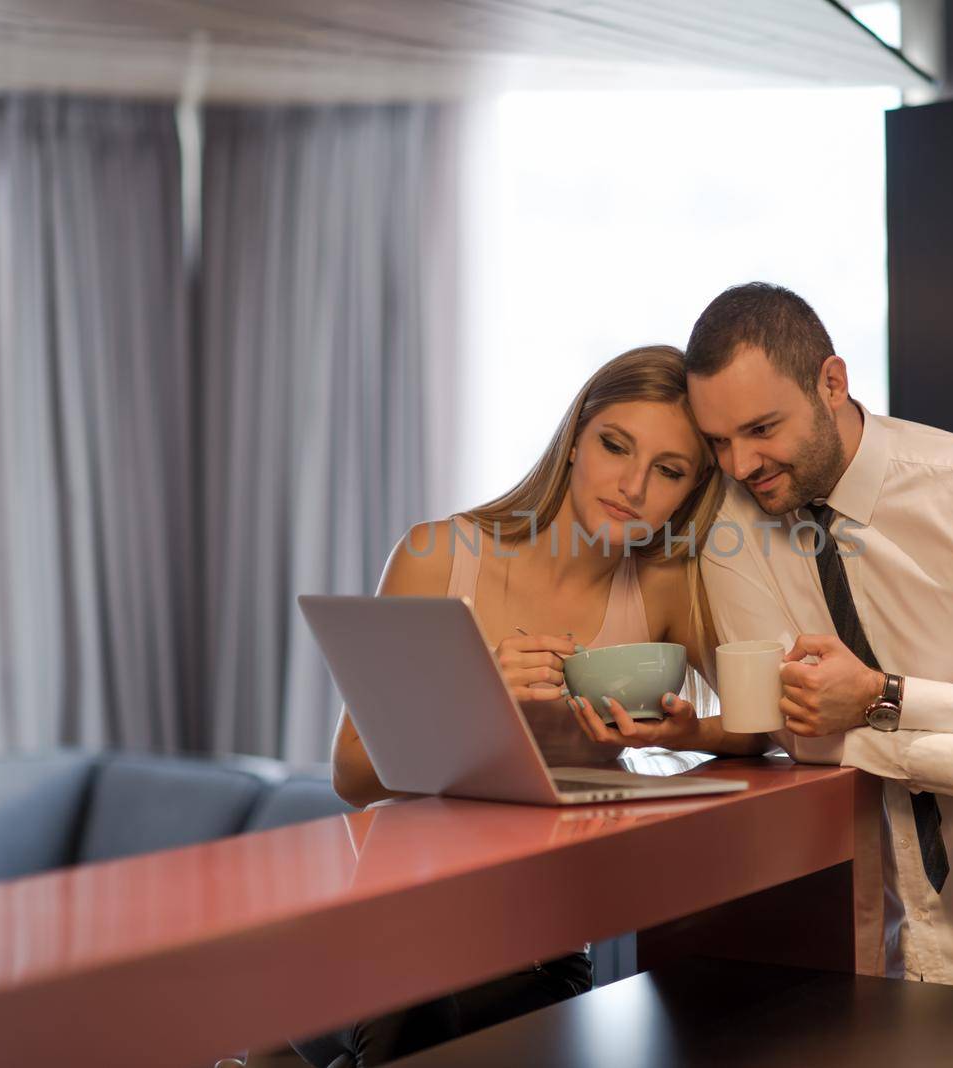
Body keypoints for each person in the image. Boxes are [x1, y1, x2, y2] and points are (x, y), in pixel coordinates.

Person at [579, 283, 953, 1004]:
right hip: (882, 952)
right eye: (719, 442)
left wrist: (883, 697)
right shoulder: (734, 539)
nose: (740, 465)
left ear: (831, 382)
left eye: (761, 428)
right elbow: (801, 733)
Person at [300, 345, 769, 1068]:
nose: (633, 484)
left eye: (669, 470)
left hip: (537, 948)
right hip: (393, 921)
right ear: (576, 436)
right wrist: (477, 695)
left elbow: (757, 723)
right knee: (411, 1022)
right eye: (616, 446)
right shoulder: (438, 556)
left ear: (691, 490)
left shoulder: (666, 589)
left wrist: (688, 728)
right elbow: (353, 774)